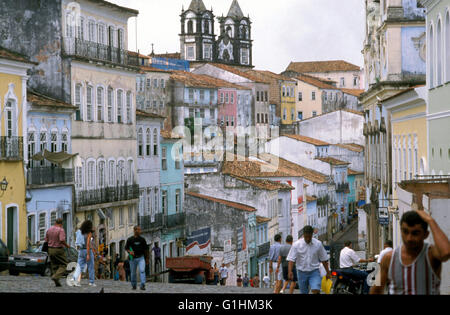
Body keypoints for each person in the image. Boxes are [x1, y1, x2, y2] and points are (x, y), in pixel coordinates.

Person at [370, 210, 450, 295]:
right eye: (405, 231)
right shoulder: (389, 258)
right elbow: (376, 290)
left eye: (415, 233)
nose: (409, 238)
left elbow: (446, 252)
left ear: (425, 234)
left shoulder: (430, 254)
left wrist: (430, 220)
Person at [287, 225, 331, 294]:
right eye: (306, 237)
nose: (307, 239)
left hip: (314, 271)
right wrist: (290, 271)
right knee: (304, 292)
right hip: (301, 272)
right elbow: (291, 259)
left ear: (312, 235)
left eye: (309, 237)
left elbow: (324, 259)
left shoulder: (318, 244)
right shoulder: (296, 245)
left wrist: (328, 272)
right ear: (303, 235)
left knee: (315, 289)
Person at [45, 218, 70, 287]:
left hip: (50, 249)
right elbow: (61, 240)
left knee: (54, 265)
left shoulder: (49, 230)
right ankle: (56, 277)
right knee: (64, 264)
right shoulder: (61, 230)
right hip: (58, 249)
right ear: (61, 224)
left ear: (55, 222)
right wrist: (67, 245)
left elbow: (46, 240)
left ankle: (57, 282)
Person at [71, 220, 96, 287]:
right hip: (87, 250)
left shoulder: (80, 232)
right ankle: (91, 282)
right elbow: (88, 243)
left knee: (79, 267)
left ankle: (74, 279)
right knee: (91, 266)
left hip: (81, 251)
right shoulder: (89, 233)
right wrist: (88, 254)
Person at [125, 226, 149, 290]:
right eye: (138, 230)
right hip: (132, 259)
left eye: (140, 230)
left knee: (142, 270)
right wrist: (130, 252)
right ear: (135, 231)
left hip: (141, 257)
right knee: (133, 273)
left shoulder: (142, 239)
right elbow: (126, 248)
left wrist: (147, 258)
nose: (140, 231)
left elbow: (146, 249)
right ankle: (134, 285)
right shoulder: (130, 239)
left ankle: (143, 284)